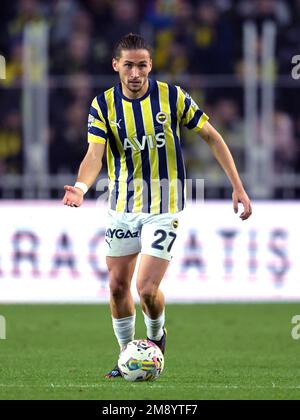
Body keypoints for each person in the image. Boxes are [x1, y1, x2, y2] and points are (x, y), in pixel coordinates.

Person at [62, 33, 252, 378]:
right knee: (118, 287)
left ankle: (155, 340)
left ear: (151, 65)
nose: (136, 73)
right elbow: (95, 154)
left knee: (146, 290)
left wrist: (238, 187)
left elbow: (212, 136)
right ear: (116, 65)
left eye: (143, 65)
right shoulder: (102, 105)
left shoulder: (172, 97)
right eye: (129, 65)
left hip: (165, 208)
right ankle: (127, 356)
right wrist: (79, 187)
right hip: (121, 207)